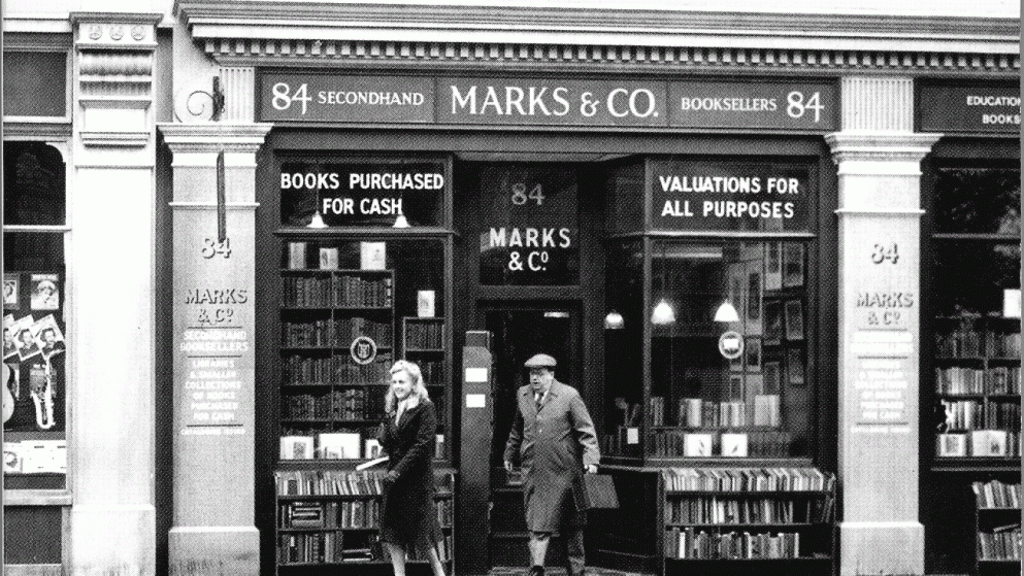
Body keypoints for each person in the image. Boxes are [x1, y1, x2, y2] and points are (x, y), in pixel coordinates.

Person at [504, 354, 600, 576]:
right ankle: (536, 569)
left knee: (572, 525)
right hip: (535, 471)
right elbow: (517, 428)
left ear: (551, 374)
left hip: (565, 472)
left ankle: (576, 571)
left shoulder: (569, 396)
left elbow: (586, 431)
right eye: (532, 373)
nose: (535, 378)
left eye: (540, 373)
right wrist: (509, 453)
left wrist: (591, 460)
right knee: (536, 524)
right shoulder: (523, 394)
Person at [378, 360, 446, 576]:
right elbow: (387, 442)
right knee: (392, 533)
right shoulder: (394, 408)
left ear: (414, 384)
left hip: (416, 480)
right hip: (395, 481)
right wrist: (386, 421)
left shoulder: (425, 407)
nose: (397, 386)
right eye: (394, 382)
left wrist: (398, 471)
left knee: (421, 534)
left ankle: (439, 572)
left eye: (402, 382)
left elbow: (422, 445)